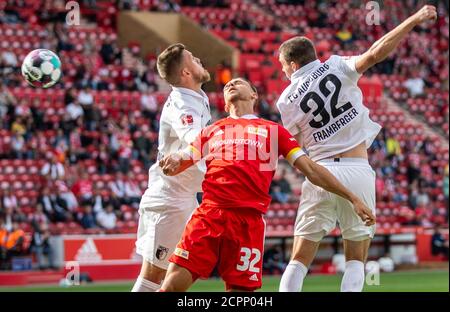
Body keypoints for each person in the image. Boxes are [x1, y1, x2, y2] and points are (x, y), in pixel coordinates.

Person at [276, 5, 437, 292]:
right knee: (355, 260)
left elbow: (296, 147)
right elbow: (375, 53)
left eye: (283, 66)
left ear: (292, 65)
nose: (283, 71)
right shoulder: (337, 65)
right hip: (357, 169)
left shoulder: (286, 98)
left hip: (320, 171)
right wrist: (414, 18)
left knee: (299, 259)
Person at [158, 77, 374, 292]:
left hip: (248, 222)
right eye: (226, 86)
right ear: (224, 104)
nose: (230, 85)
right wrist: (175, 159)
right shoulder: (211, 130)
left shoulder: (274, 131)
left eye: (238, 82)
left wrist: (352, 197)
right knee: (171, 287)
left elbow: (311, 169)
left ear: (254, 95)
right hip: (209, 216)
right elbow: (184, 157)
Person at [131, 43, 211, 292]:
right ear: (185, 73)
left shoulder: (196, 96)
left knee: (178, 272)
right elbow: (195, 139)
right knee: (152, 276)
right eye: (193, 59)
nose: (199, 58)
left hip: (184, 198)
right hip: (169, 200)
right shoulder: (183, 105)